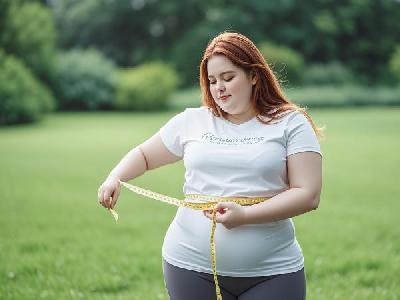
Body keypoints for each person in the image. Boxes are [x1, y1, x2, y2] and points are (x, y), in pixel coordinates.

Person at [97, 32, 323, 300]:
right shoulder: (192, 121)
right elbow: (144, 155)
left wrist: (246, 216)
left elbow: (308, 194)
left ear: (253, 75)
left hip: (273, 271)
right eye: (212, 80)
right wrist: (115, 177)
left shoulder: (291, 123)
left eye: (228, 78)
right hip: (189, 267)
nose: (219, 88)